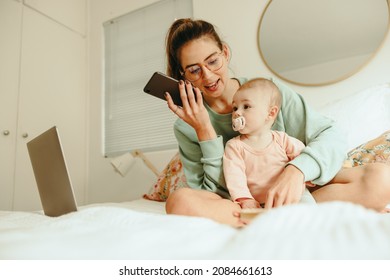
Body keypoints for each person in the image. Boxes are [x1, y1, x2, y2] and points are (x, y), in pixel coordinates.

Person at [163, 18, 390, 227]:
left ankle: (277, 217)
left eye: (213, 61)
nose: (208, 76)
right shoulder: (187, 125)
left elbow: (331, 134)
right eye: (194, 70)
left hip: (295, 194)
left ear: (225, 52)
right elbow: (208, 192)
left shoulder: (268, 91)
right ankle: (285, 219)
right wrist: (205, 131)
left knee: (382, 179)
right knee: (179, 202)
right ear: (183, 77)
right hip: (238, 204)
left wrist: (296, 171)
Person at [223, 78, 315, 209]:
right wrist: (245, 199)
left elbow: (304, 158)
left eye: (246, 106)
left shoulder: (282, 140)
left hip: (292, 196)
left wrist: (307, 177)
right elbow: (235, 177)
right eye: (235, 108)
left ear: (270, 113)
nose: (237, 113)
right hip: (260, 203)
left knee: (308, 210)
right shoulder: (234, 147)